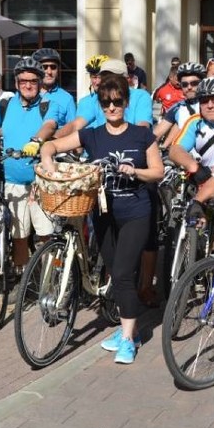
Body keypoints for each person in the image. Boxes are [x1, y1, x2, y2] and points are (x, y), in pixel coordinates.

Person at [38, 74, 163, 364]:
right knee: (115, 274)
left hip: (136, 212)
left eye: (117, 102)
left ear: (126, 102)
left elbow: (157, 172)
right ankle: (126, 328)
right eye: (106, 102)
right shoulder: (92, 135)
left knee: (121, 274)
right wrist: (47, 161)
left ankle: (129, 338)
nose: (111, 107)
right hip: (103, 214)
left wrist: (134, 172)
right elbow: (51, 146)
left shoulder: (142, 135)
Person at [0, 57, 55, 275]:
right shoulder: (5, 104)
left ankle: (51, 277)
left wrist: (36, 141)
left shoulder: (47, 104)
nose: (28, 85)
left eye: (33, 81)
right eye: (24, 81)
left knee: (46, 233)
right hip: (12, 181)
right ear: (16, 83)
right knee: (19, 234)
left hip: (40, 180)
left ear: (39, 83)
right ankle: (23, 276)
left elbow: (50, 125)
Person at [152, 62, 205, 144]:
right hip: (181, 153)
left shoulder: (213, 104)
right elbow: (154, 135)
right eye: (184, 84)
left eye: (194, 83)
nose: (189, 87)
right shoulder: (178, 107)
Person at [32, 47, 76, 130]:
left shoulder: (67, 98)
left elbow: (73, 131)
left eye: (53, 67)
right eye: (44, 67)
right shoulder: (27, 95)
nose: (49, 72)